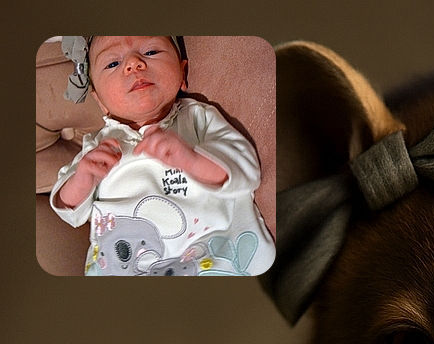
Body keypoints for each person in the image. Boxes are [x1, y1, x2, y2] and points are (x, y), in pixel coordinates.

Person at [50, 36, 275, 276]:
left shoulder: (198, 118)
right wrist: (83, 178)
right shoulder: (97, 145)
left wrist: (191, 160)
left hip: (207, 258)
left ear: (182, 72)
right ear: (100, 102)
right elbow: (69, 210)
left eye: (151, 51)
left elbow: (246, 172)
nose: (133, 64)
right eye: (113, 64)